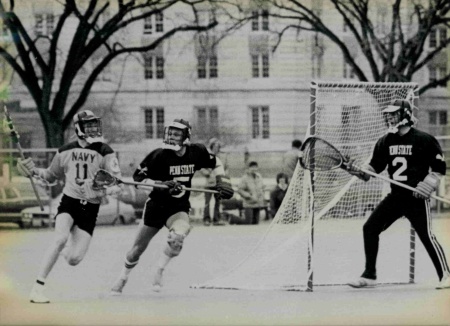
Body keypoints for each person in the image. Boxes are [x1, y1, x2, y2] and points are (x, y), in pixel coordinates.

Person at [109, 119, 233, 294]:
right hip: (156, 207)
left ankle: (159, 270)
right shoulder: (159, 155)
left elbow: (216, 162)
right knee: (135, 251)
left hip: (178, 207)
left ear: (186, 137)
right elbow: (138, 180)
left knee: (178, 237)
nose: (172, 137)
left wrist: (222, 180)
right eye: (170, 133)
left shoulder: (196, 151)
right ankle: (122, 278)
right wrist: (160, 183)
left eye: (177, 134)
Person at [17, 110, 122, 303]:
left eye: (94, 125)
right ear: (78, 128)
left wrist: (102, 189)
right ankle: (37, 289)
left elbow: (117, 185)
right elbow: (50, 176)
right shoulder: (64, 151)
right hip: (69, 202)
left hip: (90, 208)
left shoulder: (105, 151)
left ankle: (65, 249)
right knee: (60, 239)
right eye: (88, 125)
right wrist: (33, 172)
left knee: (74, 259)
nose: (92, 128)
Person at [346, 99, 450, 290]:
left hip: (415, 198)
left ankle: (445, 275)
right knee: (370, 228)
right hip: (396, 197)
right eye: (388, 113)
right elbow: (372, 170)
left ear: (406, 114)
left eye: (394, 113)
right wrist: (356, 171)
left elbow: (439, 168)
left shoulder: (424, 139)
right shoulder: (385, 141)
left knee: (426, 236)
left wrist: (428, 184)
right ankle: (369, 275)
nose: (389, 116)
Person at [200, 138, 226, 226]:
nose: (216, 148)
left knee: (218, 202)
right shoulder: (206, 156)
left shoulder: (222, 157)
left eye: (218, 146)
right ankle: (206, 219)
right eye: (215, 146)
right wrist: (207, 173)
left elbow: (226, 167)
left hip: (219, 183)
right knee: (207, 202)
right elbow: (201, 167)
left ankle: (216, 219)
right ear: (211, 146)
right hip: (209, 183)